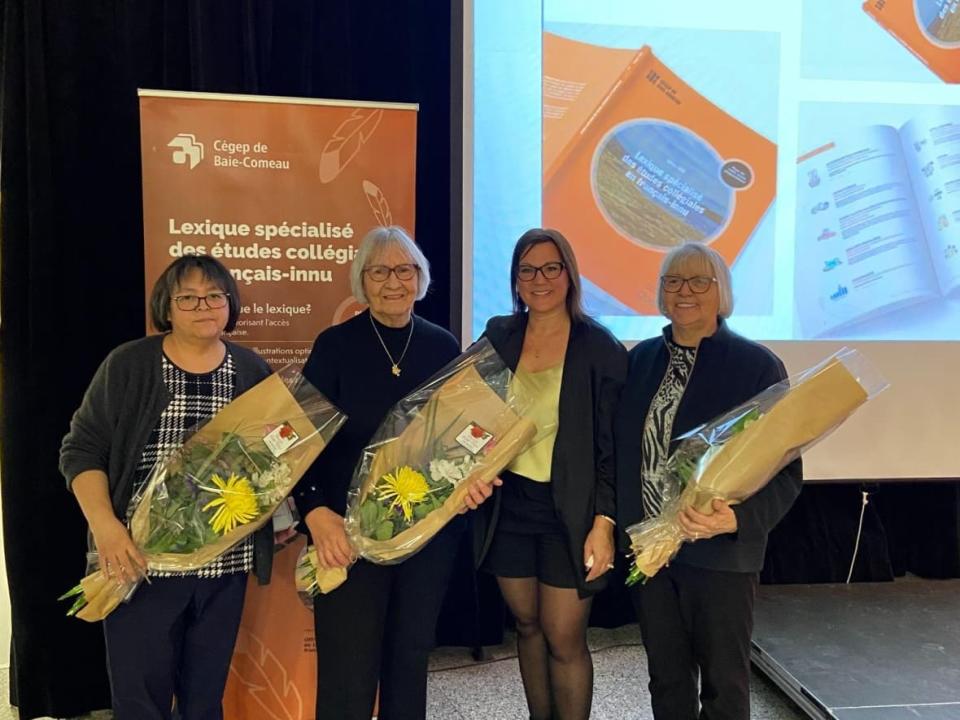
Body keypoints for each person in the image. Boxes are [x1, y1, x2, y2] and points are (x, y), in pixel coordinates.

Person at [293, 225, 495, 720]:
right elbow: (299, 440)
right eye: (379, 271)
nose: (393, 282)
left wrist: (474, 479)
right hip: (346, 533)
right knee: (348, 667)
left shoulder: (442, 345)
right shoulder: (335, 345)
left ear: (421, 278)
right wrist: (316, 514)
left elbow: (462, 435)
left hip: (426, 534)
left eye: (405, 270)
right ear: (362, 280)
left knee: (408, 660)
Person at [59, 255, 273, 720]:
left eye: (214, 295)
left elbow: (272, 461)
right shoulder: (129, 365)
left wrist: (279, 514)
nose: (203, 306)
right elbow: (81, 451)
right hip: (138, 559)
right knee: (140, 701)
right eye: (188, 297)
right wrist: (106, 528)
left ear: (230, 304)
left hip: (224, 564)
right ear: (167, 307)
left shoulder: (251, 370)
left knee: (203, 697)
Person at [614, 243, 803, 720]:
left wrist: (736, 520)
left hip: (719, 554)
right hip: (650, 552)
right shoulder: (639, 362)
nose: (685, 291)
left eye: (700, 281)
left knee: (724, 684)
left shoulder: (757, 367)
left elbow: (785, 473)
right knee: (667, 679)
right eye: (672, 282)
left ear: (722, 292)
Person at [475, 228, 627, 720]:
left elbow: (613, 450)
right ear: (515, 281)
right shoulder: (499, 335)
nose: (539, 279)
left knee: (564, 638)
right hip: (508, 508)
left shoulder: (598, 347)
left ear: (569, 275)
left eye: (550, 268)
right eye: (527, 270)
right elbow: (467, 415)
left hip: (572, 512)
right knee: (526, 626)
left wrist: (605, 523)